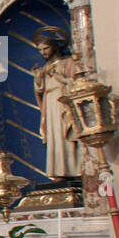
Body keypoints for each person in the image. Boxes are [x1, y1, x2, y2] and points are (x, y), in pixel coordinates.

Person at [30, 27, 82, 178]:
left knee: (66, 134)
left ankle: (73, 169)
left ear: (54, 46)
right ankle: (58, 170)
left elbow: (79, 83)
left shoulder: (68, 62)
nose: (43, 52)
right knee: (54, 136)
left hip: (63, 101)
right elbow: (40, 90)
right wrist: (38, 79)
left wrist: (63, 79)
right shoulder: (45, 68)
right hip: (50, 102)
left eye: (46, 48)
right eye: (40, 50)